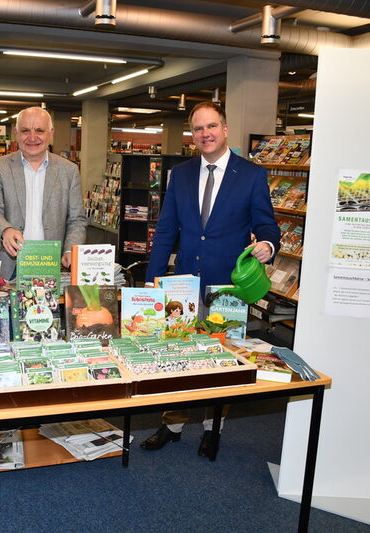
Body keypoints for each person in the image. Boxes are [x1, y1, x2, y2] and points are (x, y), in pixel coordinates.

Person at [141, 101, 281, 458]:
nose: (205, 134)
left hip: (228, 288)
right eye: (198, 128)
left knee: (223, 359)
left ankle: (212, 427)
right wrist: (152, 279)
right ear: (192, 134)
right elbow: (166, 229)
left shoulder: (251, 175)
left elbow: (266, 223)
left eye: (212, 127)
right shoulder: (181, 174)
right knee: (177, 357)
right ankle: (172, 424)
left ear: (225, 129)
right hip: (182, 285)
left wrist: (267, 243)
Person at [0, 106, 87, 281]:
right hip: (11, 266)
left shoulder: (69, 170)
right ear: (16, 133)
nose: (32, 137)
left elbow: (77, 219)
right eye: (25, 131)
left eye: (39, 130)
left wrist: (70, 249)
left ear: (51, 133)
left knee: (51, 309)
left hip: (54, 265)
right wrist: (5, 229)